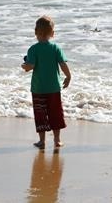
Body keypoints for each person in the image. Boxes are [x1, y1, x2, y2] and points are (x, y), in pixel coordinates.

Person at [22, 15, 71, 150]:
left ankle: (42, 141)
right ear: (52, 33)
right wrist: (68, 76)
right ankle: (57, 140)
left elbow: (30, 66)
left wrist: (24, 66)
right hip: (54, 88)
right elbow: (63, 64)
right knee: (55, 113)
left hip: (38, 88)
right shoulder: (56, 48)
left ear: (35, 32)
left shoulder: (33, 49)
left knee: (40, 114)